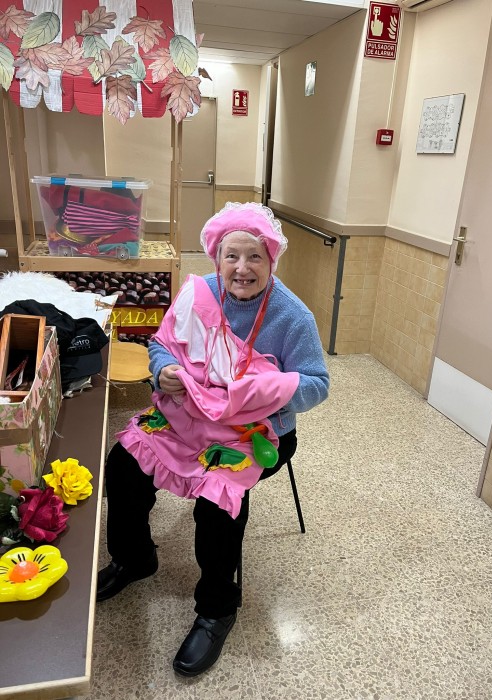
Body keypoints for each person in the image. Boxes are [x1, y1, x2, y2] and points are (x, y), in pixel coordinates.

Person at [97, 202, 329, 677]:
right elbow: (161, 343)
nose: (242, 268)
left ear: (271, 259)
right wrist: (163, 370)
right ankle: (134, 559)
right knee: (122, 462)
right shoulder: (198, 294)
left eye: (254, 256)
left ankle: (217, 608)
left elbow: (317, 384)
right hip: (186, 416)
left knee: (218, 502)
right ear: (216, 258)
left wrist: (259, 392)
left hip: (257, 432)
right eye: (231, 256)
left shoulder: (293, 316)